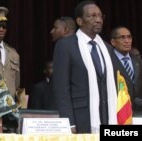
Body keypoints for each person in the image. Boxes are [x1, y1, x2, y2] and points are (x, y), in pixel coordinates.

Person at [52, 1, 117, 133]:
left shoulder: (107, 48)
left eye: (100, 16)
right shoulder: (66, 46)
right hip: (80, 119)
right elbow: (61, 88)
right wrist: (68, 123)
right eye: (92, 16)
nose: (98, 20)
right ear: (80, 21)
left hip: (107, 117)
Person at [109, 26, 142, 116]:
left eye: (129, 37)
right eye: (122, 37)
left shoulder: (137, 60)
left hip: (138, 111)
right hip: (118, 110)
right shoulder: (108, 61)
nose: (127, 41)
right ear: (113, 42)